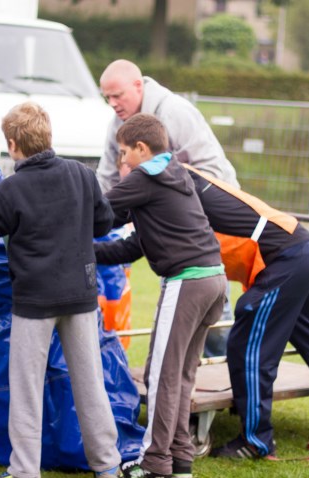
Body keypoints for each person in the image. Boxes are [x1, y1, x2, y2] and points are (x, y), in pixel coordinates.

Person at [0, 101, 127, 478]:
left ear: (14, 144)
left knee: (26, 390)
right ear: (48, 136)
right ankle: (108, 471)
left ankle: (24, 476)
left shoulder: (9, 189)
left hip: (34, 302)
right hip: (81, 297)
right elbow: (104, 222)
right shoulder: (82, 176)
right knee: (91, 384)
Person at [174, 164, 309, 458]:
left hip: (284, 257)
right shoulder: (177, 180)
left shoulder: (174, 180)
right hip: (300, 248)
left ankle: (256, 441)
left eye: (126, 162)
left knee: (247, 346)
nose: (124, 172)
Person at [93, 114, 227, 478]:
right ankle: (180, 458)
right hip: (214, 279)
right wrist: (91, 252)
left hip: (188, 282)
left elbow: (99, 211)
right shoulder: (175, 173)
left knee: (160, 373)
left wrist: (59, 225)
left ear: (142, 148)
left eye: (124, 154)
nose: (122, 162)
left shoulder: (145, 176)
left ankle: (154, 462)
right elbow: (137, 244)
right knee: (182, 374)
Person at [96, 59, 238, 358]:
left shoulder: (175, 112)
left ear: (138, 85)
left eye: (117, 95)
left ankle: (228, 376)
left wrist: (173, 206)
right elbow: (106, 180)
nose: (112, 103)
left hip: (208, 218)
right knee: (177, 302)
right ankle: (196, 378)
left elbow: (212, 169)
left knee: (212, 309)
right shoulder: (117, 125)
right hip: (164, 230)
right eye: (106, 97)